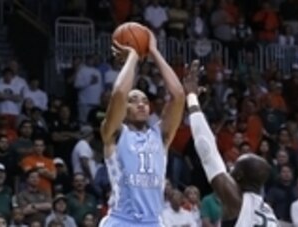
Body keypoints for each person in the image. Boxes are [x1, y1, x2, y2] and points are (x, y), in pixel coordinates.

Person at [98, 27, 185, 227]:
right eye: (134, 100)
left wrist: (153, 51)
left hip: (154, 221)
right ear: (124, 109)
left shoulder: (161, 135)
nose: (141, 104)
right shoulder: (115, 132)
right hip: (122, 220)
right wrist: (134, 56)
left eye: (145, 101)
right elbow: (119, 93)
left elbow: (178, 95)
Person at [183, 60, 278, 227]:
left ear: (239, 176)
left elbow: (207, 150)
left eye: (235, 167)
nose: (230, 169)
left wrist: (191, 98)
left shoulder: (236, 201)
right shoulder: (267, 212)